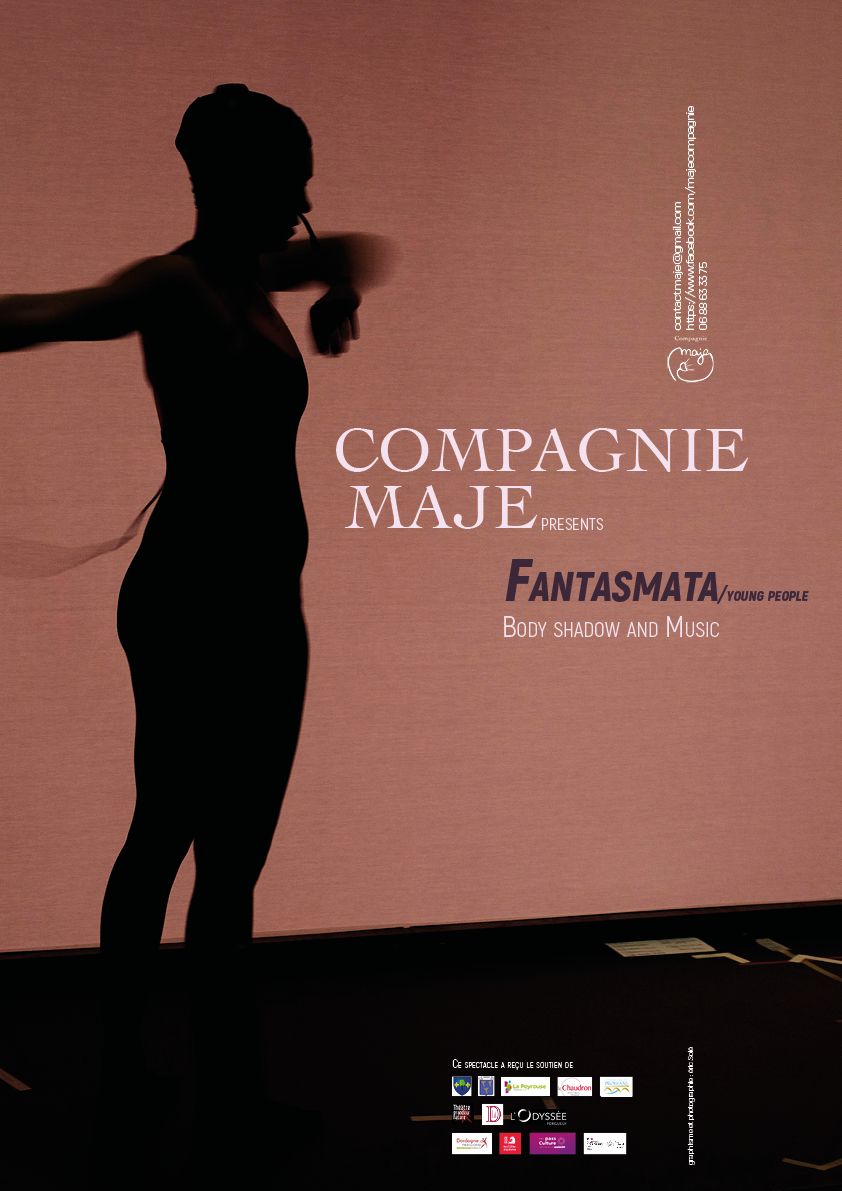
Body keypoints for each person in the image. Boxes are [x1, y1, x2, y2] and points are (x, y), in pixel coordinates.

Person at [0, 83, 392, 1183]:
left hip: (261, 606)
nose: (306, 194)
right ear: (233, 181)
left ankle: (205, 1084)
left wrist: (336, 288)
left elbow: (358, 249)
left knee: (223, 856)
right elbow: (38, 316)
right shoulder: (175, 284)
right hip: (191, 604)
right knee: (176, 837)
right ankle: (166, 1075)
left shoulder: (251, 274)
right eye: (291, 174)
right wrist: (329, 281)